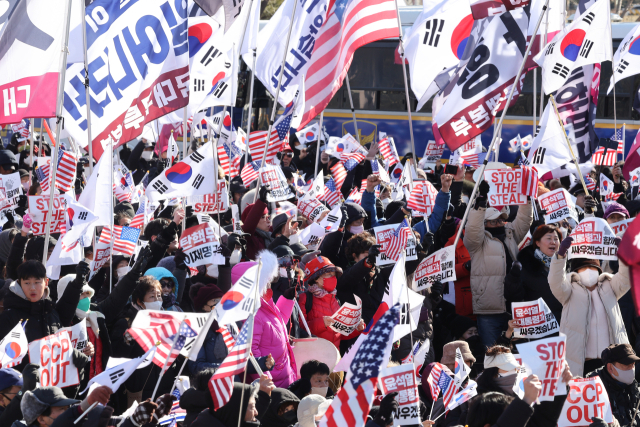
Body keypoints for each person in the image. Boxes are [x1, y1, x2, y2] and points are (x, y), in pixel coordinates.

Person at [464, 180, 533, 348]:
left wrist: (527, 199)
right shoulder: (477, 242)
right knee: (492, 354)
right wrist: (480, 205)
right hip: (490, 310)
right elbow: (473, 229)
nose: (498, 224)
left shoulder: (510, 235)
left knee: (518, 355)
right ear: (484, 224)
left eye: (500, 221)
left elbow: (524, 221)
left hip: (514, 306)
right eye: (493, 222)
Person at [550, 237, 630, 376]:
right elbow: (555, 282)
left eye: (592, 267)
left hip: (612, 361)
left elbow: (626, 277)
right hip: (581, 362)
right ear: (576, 271)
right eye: (583, 268)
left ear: (598, 269)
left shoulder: (610, 285)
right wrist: (560, 257)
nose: (588, 271)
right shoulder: (568, 290)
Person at [299, 256, 365, 350]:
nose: (333, 278)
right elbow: (300, 330)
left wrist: (356, 328)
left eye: (334, 275)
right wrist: (322, 323)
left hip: (334, 357)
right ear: (316, 278)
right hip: (314, 355)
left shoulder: (335, 299)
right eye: (328, 274)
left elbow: (339, 334)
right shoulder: (304, 298)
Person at [504, 224, 563, 322]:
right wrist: (513, 278)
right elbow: (514, 297)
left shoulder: (566, 265)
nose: (553, 242)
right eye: (549, 238)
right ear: (538, 243)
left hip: (565, 325)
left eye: (556, 239)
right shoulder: (526, 266)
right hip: (541, 326)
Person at [587, 344, 640, 426]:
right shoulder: (591, 389)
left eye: (633, 364)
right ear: (610, 368)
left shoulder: (635, 388)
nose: (631, 369)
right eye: (626, 365)